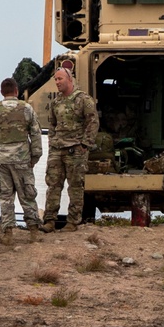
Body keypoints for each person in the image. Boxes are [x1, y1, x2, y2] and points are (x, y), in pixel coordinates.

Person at [0, 78, 43, 244]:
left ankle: (8, 233)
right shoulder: (27, 109)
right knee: (27, 194)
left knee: (5, 196)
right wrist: (35, 156)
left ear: (2, 92)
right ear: (16, 91)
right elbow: (36, 134)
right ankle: (34, 231)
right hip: (22, 159)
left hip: (2, 159)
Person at [40, 67, 99, 233]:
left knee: (75, 186)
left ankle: (72, 222)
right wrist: (52, 141)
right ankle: (49, 220)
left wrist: (84, 144)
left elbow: (93, 122)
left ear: (69, 79)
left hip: (75, 150)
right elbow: (52, 124)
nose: (57, 83)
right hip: (57, 149)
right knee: (52, 185)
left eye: (60, 79)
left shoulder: (83, 100)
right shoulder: (56, 102)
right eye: (56, 80)